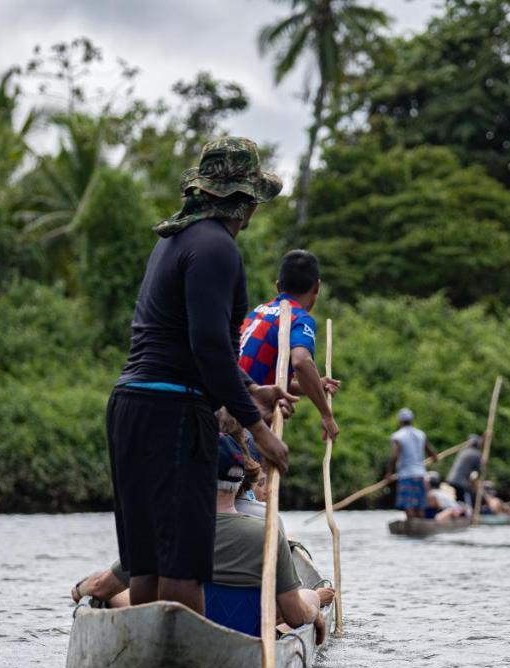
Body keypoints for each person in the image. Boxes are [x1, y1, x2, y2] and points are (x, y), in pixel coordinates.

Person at [107, 137, 298, 617]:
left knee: (148, 561)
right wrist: (258, 430)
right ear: (245, 202)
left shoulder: (174, 242)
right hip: (173, 412)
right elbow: (208, 348)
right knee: (183, 565)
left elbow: (194, 342)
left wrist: (252, 389)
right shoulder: (217, 247)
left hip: (132, 407)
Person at [73, 435, 334, 640]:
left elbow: (102, 588)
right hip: (246, 639)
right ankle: (314, 600)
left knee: (114, 590)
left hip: (175, 640)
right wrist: (313, 612)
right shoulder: (268, 535)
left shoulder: (164, 532)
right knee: (304, 599)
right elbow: (293, 615)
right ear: (243, 482)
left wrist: (80, 590)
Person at [239, 249, 342, 442]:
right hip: (249, 421)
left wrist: (315, 386)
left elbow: (262, 379)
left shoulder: (258, 313)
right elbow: (301, 361)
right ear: (317, 288)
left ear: (278, 287)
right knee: (249, 472)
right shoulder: (299, 318)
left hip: (224, 411)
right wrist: (326, 415)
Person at [387, 408, 438, 521]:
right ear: (411, 420)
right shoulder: (421, 434)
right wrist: (434, 457)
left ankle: (412, 526)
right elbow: (431, 453)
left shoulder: (398, 436)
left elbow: (394, 456)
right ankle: (420, 526)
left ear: (400, 421)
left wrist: (389, 473)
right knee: (420, 504)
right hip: (420, 475)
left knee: (408, 505)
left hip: (406, 476)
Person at [446, 434, 483, 505]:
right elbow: (479, 471)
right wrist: (483, 464)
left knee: (458, 500)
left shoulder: (463, 451)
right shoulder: (476, 454)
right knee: (463, 501)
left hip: (451, 479)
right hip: (460, 482)